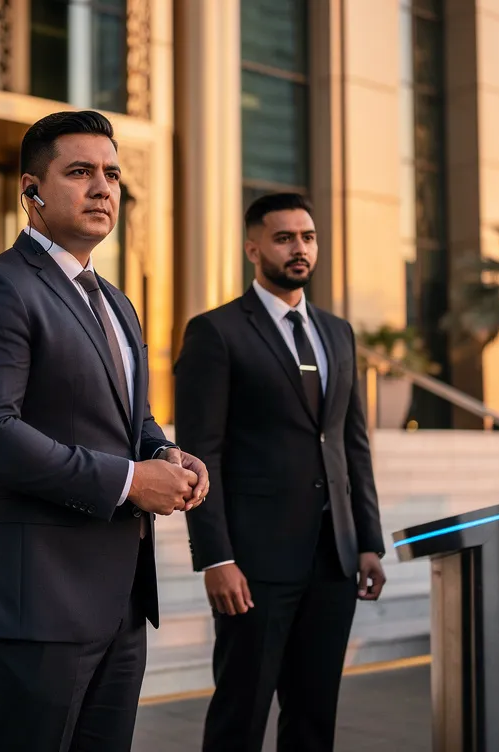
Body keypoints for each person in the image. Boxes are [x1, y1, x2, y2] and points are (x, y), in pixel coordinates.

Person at [0, 110, 210, 752]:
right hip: (35, 600)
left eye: (111, 173)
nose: (102, 187)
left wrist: (162, 450)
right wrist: (130, 480)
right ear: (30, 191)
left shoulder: (117, 300)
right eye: (79, 171)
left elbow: (127, 417)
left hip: (119, 602)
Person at [173, 192, 388, 752]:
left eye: (308, 237)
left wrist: (367, 540)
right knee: (240, 714)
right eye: (284, 237)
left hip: (333, 557)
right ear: (253, 248)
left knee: (316, 715)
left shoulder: (338, 332)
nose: (299, 249)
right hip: (255, 563)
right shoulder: (215, 333)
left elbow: (350, 442)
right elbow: (201, 455)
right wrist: (216, 557)